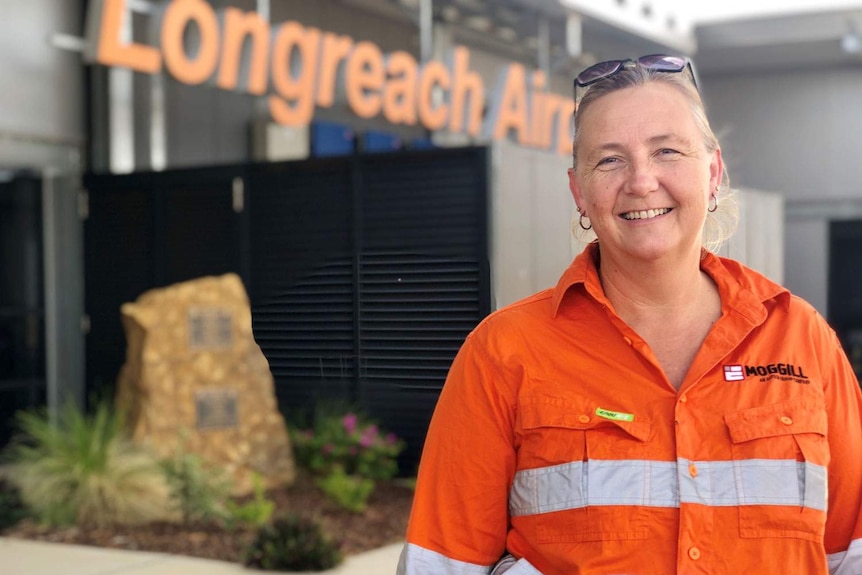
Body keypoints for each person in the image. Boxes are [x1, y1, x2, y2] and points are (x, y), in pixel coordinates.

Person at [396, 54, 862, 575]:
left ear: (712, 172)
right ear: (579, 191)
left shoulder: (801, 339)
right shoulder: (502, 353)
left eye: (667, 150)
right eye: (610, 160)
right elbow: (440, 566)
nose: (641, 181)